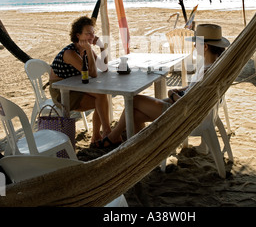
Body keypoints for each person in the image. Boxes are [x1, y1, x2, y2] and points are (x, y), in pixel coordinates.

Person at [99, 23, 230, 148]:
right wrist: (180, 89)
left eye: (197, 43)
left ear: (205, 46)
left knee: (134, 100)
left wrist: (172, 95)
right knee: (133, 113)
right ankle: (144, 146)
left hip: (183, 112)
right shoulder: (212, 67)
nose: (195, 45)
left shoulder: (208, 71)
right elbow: (194, 89)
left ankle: (114, 137)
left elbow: (190, 102)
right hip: (184, 106)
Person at [49, 16, 111, 146]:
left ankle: (98, 135)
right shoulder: (70, 53)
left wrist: (102, 47)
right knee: (100, 99)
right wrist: (89, 50)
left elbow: (104, 68)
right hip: (62, 93)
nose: (92, 36)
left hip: (77, 86)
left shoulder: (86, 49)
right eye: (88, 33)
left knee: (102, 97)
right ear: (78, 35)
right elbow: (93, 74)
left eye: (93, 32)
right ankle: (105, 133)